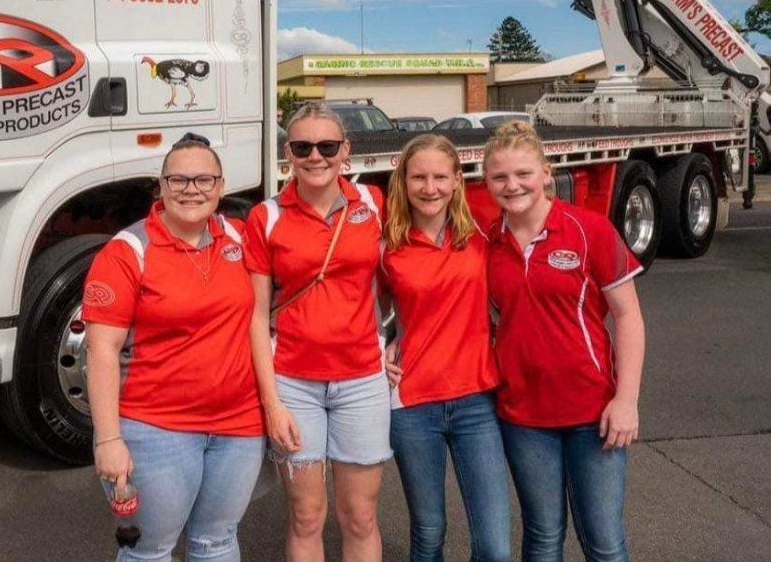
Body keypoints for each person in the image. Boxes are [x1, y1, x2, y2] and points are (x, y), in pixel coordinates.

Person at [83, 135, 266, 562]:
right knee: (150, 550)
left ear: (221, 188)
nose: (191, 189)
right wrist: (109, 439)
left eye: (204, 179)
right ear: (160, 187)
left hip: (237, 427)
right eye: (178, 179)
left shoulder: (238, 238)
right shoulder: (127, 252)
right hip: (155, 429)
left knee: (217, 541)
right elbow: (101, 351)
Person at [482, 121, 645, 562]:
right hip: (522, 415)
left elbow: (628, 316)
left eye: (523, 174)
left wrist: (626, 400)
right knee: (542, 536)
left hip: (592, 412)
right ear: (487, 182)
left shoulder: (588, 229)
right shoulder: (487, 243)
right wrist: (395, 343)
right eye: (499, 177)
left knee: (604, 541)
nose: (512, 185)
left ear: (547, 173)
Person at [244, 102, 390, 562]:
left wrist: (393, 343)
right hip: (293, 385)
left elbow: (402, 278)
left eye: (327, 146)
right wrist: (271, 403)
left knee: (360, 516)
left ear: (345, 151)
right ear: (289, 152)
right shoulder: (264, 218)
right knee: (307, 516)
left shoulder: (373, 203)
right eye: (303, 146)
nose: (315, 156)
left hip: (362, 382)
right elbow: (254, 315)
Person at [379, 134, 510, 562]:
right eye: (418, 177)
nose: (429, 187)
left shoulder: (482, 237)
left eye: (439, 176)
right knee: (429, 533)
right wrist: (381, 346)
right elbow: (362, 312)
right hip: (413, 405)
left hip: (476, 401)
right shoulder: (387, 248)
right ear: (404, 180)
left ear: (457, 180)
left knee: (493, 545)